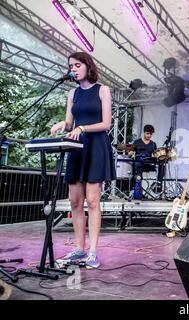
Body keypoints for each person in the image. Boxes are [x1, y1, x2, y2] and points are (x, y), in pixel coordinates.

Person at [50, 52, 116, 269]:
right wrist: (63, 124)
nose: (73, 69)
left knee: (93, 201)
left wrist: (82, 128)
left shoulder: (103, 90)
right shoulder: (72, 93)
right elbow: (70, 123)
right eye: (70, 66)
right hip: (77, 148)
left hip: (96, 146)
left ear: (88, 66)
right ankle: (79, 248)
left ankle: (93, 252)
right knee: (75, 202)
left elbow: (106, 124)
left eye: (77, 65)